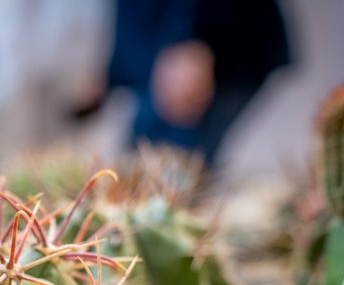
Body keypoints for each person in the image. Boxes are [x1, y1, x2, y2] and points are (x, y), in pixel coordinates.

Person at [104, 0, 290, 165]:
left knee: (164, 181)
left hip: (199, 46)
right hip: (161, 54)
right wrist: (113, 71)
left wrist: (189, 34)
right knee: (138, 178)